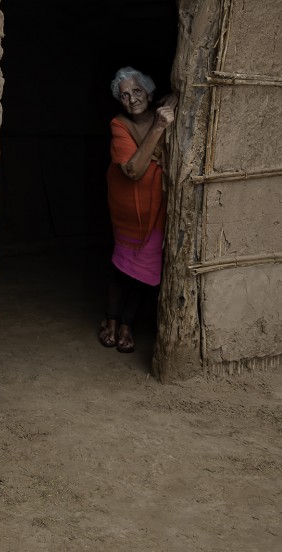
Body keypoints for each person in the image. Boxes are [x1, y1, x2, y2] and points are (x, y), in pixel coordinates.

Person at [99, 66, 176, 354]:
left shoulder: (163, 110)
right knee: (121, 268)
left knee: (147, 270)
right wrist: (158, 127)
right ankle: (111, 320)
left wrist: (173, 101)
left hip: (158, 211)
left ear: (148, 91)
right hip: (127, 210)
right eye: (124, 95)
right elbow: (133, 169)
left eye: (137, 91)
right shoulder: (120, 125)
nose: (132, 99)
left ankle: (127, 324)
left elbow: (176, 99)